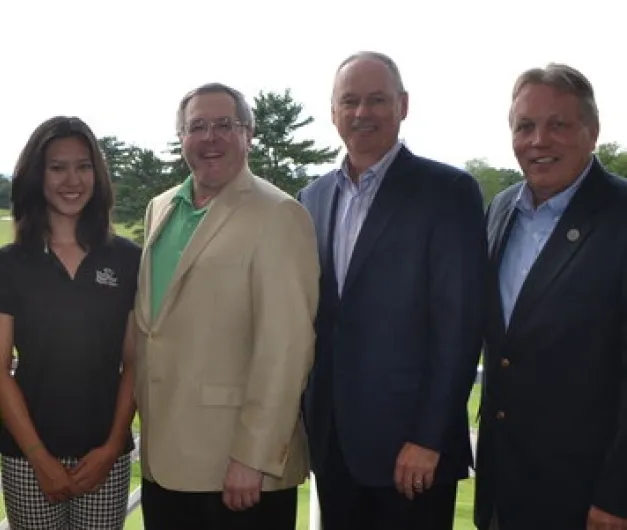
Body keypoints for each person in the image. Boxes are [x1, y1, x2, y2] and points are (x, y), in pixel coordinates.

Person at [296, 51, 487, 530]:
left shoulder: (448, 192)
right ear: (334, 111)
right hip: (333, 448)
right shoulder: (311, 199)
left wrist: (429, 437)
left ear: (403, 105)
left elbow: (459, 325)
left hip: (411, 455)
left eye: (377, 100)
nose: (363, 113)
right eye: (351, 101)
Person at [134, 82, 320, 530]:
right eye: (197, 126)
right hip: (165, 465)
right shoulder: (161, 209)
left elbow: (286, 348)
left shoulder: (279, 214)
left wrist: (253, 458)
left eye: (225, 125)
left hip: (237, 473)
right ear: (181, 138)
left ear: (248, 134)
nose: (210, 137)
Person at [473, 63, 627, 530]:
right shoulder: (501, 210)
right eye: (525, 126)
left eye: (558, 125)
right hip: (503, 487)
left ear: (592, 131)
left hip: (587, 498)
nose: (539, 140)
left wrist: (618, 495)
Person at [0, 116, 139, 530]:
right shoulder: (8, 264)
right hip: (28, 457)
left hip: (105, 456)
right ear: (38, 175)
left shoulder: (126, 258)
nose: (73, 179)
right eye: (57, 167)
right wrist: (39, 457)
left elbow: (136, 365)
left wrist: (108, 450)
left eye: (83, 166)